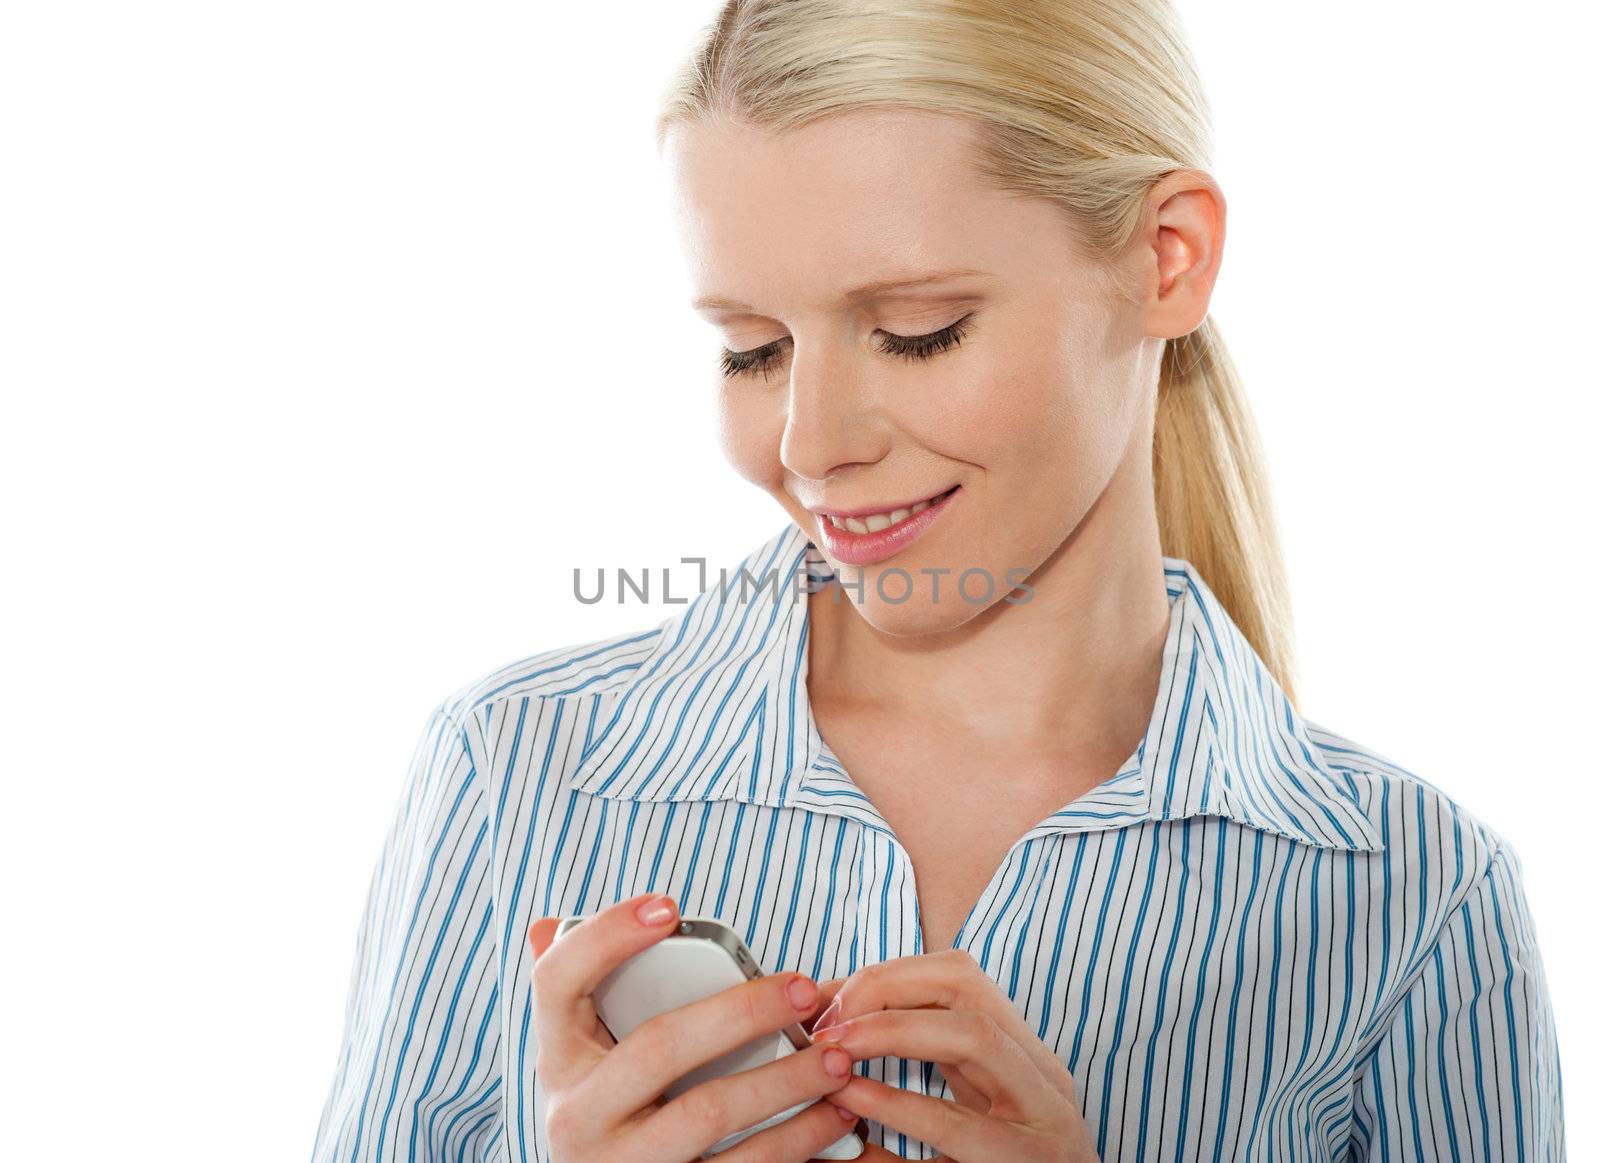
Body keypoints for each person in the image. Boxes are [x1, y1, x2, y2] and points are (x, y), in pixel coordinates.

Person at [310, 1, 1567, 1160]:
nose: (808, 444)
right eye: (752, 348)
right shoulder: (515, 767)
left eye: (917, 329)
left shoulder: (1408, 893)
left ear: (1167, 260)